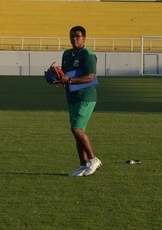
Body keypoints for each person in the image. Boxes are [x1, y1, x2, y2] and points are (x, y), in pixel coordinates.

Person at [56, 26, 102, 176]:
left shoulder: (87, 55)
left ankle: (93, 159)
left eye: (77, 36)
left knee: (76, 129)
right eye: (72, 36)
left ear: (84, 38)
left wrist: (69, 79)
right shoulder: (67, 54)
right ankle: (83, 165)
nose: (74, 38)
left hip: (86, 97)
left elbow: (90, 76)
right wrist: (57, 78)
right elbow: (65, 74)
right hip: (72, 96)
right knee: (78, 132)